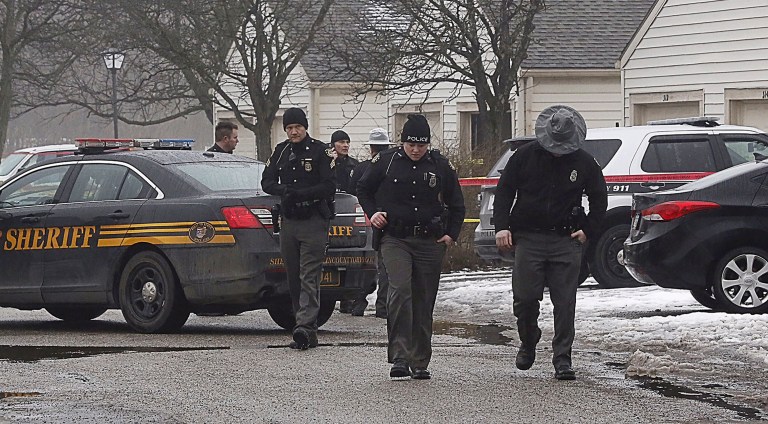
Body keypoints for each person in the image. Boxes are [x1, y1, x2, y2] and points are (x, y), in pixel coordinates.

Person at [493, 105, 607, 381]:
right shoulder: (524, 157)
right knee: (525, 299)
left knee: (565, 303)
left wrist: (588, 230)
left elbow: (599, 199)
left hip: (565, 239)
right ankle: (528, 339)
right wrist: (502, 226)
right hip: (528, 238)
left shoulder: (584, 162)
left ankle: (563, 358)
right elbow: (504, 191)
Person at [357, 114, 465, 380]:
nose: (416, 150)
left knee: (423, 300)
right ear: (402, 142)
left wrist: (451, 234)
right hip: (395, 238)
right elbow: (363, 188)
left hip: (429, 241)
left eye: (421, 145)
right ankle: (400, 356)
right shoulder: (386, 161)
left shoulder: (440, 165)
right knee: (400, 291)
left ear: (428, 144)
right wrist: (373, 213)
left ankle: (420, 360)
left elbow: (457, 203)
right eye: (411, 144)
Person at [261, 107, 336, 350]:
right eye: (290, 128)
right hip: (290, 220)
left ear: (305, 128)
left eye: (298, 127)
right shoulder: (281, 151)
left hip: (313, 219)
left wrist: (303, 194)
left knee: (309, 275)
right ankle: (305, 329)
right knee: (293, 276)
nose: (294, 132)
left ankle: (304, 325)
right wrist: (285, 191)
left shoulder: (320, 151)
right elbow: (267, 181)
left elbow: (329, 186)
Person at [347, 128, 395, 318]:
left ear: (371, 148)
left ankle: (358, 301)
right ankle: (382, 306)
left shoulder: (361, 168)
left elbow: (352, 194)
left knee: (364, 264)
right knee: (385, 266)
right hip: (385, 220)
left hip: (362, 221)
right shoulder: (394, 167)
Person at [329, 130, 361, 315]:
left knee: (348, 255)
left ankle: (347, 299)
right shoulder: (327, 162)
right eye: (341, 142)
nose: (345, 145)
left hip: (348, 212)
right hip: (329, 211)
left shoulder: (354, 165)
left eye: (347, 142)